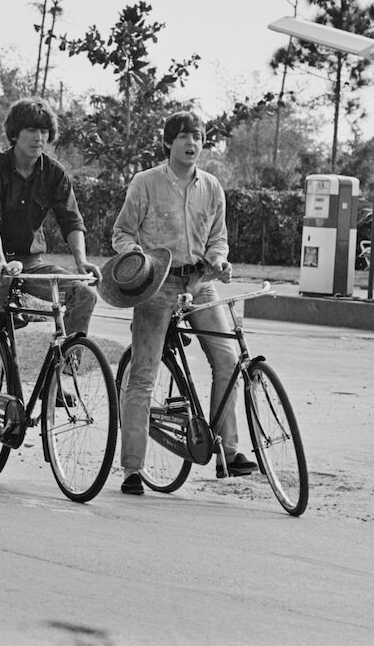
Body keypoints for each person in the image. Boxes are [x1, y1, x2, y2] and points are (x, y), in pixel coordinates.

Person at [109, 110, 256, 496]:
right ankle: (132, 470)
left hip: (201, 283)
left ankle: (229, 449)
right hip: (156, 286)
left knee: (227, 358)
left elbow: (218, 239)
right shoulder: (145, 183)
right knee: (144, 373)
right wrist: (136, 260)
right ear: (168, 143)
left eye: (199, 137)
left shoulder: (212, 187)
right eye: (184, 137)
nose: (192, 144)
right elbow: (122, 232)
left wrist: (220, 260)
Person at [0, 98, 101, 379]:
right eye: (30, 129)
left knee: (85, 293)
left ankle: (59, 381)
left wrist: (82, 261)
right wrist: (0, 264)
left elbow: (71, 221)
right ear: (14, 133)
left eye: (43, 131)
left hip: (31, 263)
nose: (39, 137)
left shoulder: (54, 172)